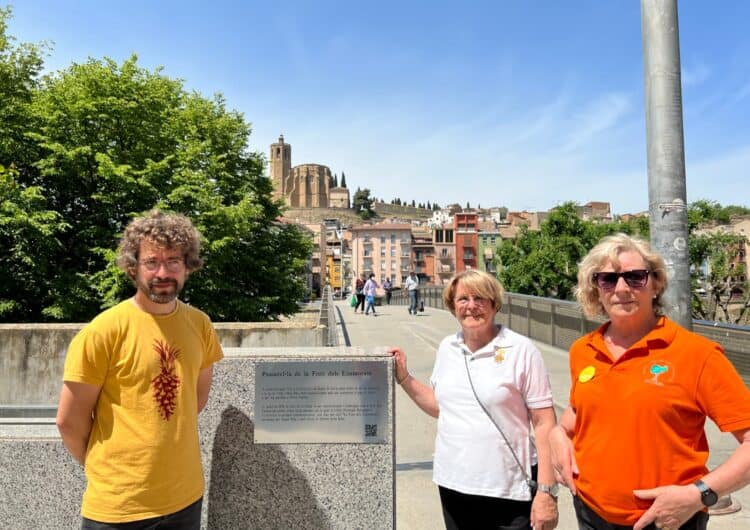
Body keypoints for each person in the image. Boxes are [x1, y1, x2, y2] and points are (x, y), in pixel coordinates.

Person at [549, 233, 750, 530]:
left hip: (668, 520)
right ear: (596, 290)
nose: (621, 288)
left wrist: (700, 495)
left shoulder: (696, 354)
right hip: (590, 511)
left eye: (635, 278)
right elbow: (579, 413)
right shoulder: (584, 350)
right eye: (607, 279)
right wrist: (557, 435)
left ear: (656, 284)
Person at [56, 210, 224, 529]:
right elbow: (68, 421)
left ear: (188, 265)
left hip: (185, 499)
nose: (163, 272)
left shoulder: (200, 325)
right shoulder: (103, 331)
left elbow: (194, 400)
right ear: (133, 268)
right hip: (118, 508)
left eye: (173, 261)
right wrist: (110, 472)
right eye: (151, 262)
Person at [390, 269, 559, 530]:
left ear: (494, 304)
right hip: (454, 484)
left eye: (480, 298)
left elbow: (545, 422)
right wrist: (404, 377)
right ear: (452, 305)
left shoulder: (521, 350)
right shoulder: (448, 347)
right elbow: (441, 407)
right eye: (463, 299)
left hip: (508, 489)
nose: (471, 306)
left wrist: (547, 492)